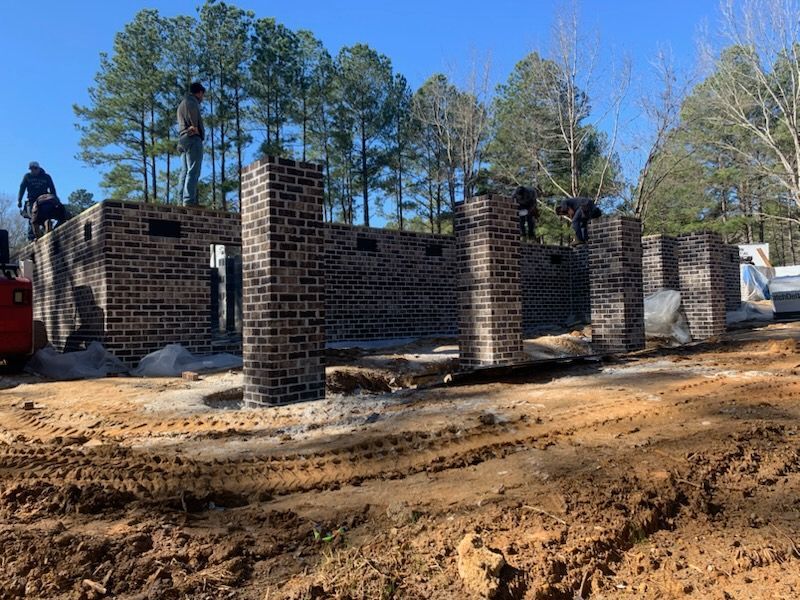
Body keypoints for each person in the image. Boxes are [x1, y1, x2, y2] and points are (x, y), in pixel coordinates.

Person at [176, 82, 206, 207]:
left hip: (183, 138)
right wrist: (195, 128)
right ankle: (189, 201)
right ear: (199, 92)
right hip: (192, 137)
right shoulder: (192, 102)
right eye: (202, 95)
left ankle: (181, 201)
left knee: (184, 171)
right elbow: (193, 120)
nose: (202, 98)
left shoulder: (181, 104)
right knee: (193, 170)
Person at [17, 161, 57, 241]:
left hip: (44, 200)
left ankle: (47, 228)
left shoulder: (46, 177)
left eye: (35, 168)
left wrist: (55, 200)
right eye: (31, 169)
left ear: (38, 168)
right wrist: (19, 200)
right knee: (32, 217)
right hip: (32, 200)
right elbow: (22, 188)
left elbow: (52, 188)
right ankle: (32, 237)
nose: (33, 171)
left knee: (45, 215)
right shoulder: (27, 176)